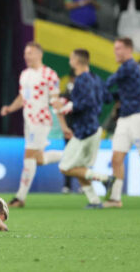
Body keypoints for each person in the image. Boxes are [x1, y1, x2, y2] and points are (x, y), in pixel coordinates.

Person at [0, 41, 63, 208]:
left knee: (28, 156)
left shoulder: (49, 74)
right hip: (28, 120)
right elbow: (22, 98)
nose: (26, 56)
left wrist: (62, 119)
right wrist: (9, 109)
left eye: (30, 53)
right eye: (25, 53)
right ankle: (68, 155)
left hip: (40, 120)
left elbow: (55, 98)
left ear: (39, 54)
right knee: (39, 159)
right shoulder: (25, 74)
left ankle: (20, 197)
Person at [53, 49, 114, 208]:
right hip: (93, 127)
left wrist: (65, 107)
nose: (69, 61)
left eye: (71, 58)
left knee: (65, 167)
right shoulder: (96, 79)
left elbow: (86, 102)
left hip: (84, 130)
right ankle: (94, 201)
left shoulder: (81, 80)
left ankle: (105, 179)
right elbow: (107, 98)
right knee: (78, 168)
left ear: (76, 60)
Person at [104, 37, 140, 207]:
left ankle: (115, 198)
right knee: (116, 158)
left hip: (137, 119)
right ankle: (115, 199)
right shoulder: (126, 70)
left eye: (119, 48)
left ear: (129, 50)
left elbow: (109, 83)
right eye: (115, 48)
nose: (116, 51)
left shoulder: (129, 66)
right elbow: (117, 93)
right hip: (124, 119)